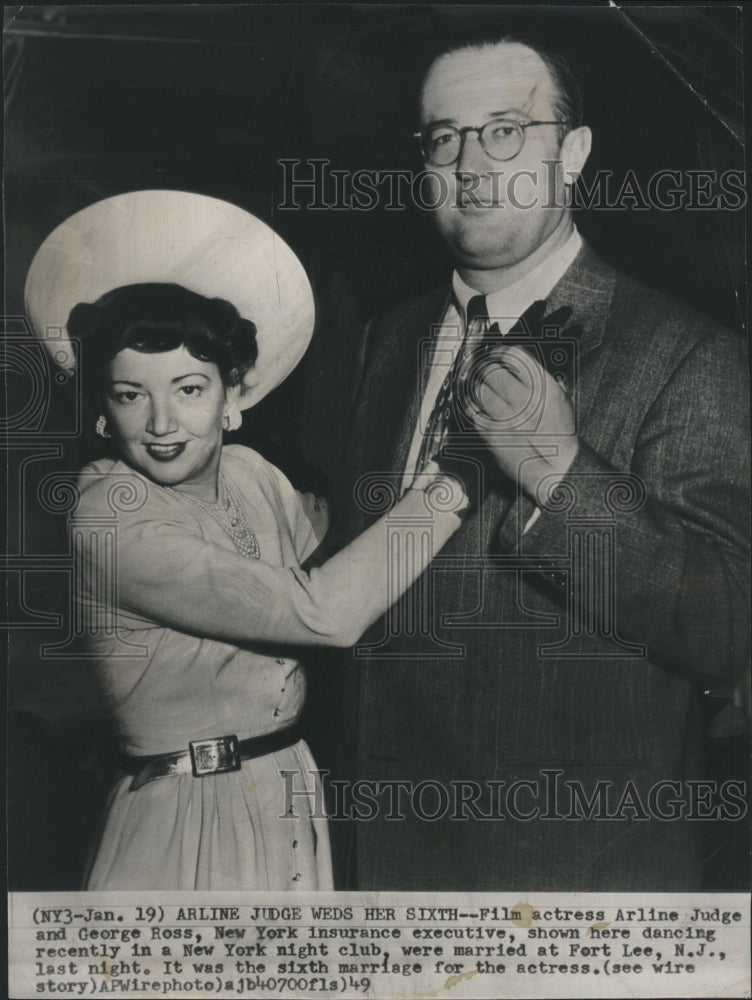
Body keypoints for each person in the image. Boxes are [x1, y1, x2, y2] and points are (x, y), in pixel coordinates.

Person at [331, 32, 749, 891]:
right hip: (379, 860)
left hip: (570, 875)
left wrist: (562, 476)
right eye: (444, 137)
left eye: (506, 131)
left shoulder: (688, 352)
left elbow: (726, 627)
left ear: (575, 153)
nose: (471, 165)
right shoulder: (388, 338)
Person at [24, 190, 468, 891]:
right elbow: (324, 611)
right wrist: (461, 475)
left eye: (189, 388)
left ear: (232, 398)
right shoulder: (108, 514)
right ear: (103, 414)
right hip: (183, 818)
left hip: (288, 787)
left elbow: (352, 560)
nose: (162, 422)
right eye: (131, 394)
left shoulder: (254, 474)